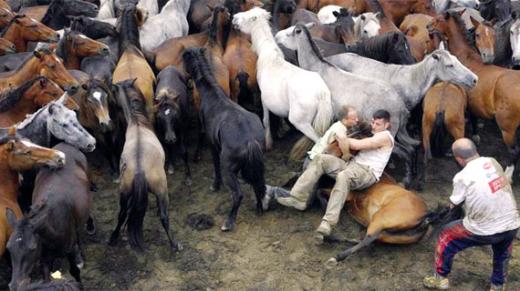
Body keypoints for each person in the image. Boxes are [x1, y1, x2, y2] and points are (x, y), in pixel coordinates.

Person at [263, 109, 394, 241]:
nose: (373, 126)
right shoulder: (373, 133)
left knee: (344, 176)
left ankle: (328, 223)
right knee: (321, 159)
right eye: (373, 122)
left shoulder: (385, 137)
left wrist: (342, 137)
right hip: (352, 166)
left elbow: (359, 144)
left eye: (378, 124)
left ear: (386, 125)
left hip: (366, 172)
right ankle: (298, 197)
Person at [423, 138, 520, 291]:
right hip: (512, 224)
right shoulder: (492, 161)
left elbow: (454, 203)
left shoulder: (462, 176)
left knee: (446, 235)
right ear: (475, 150)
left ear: (459, 159)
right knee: (503, 251)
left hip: (483, 229)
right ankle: (498, 285)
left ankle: (440, 279)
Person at [303, 105, 359, 169]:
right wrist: (346, 155)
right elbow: (342, 138)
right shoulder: (339, 128)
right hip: (314, 162)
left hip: (314, 159)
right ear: (344, 120)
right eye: (354, 119)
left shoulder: (338, 125)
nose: (357, 120)